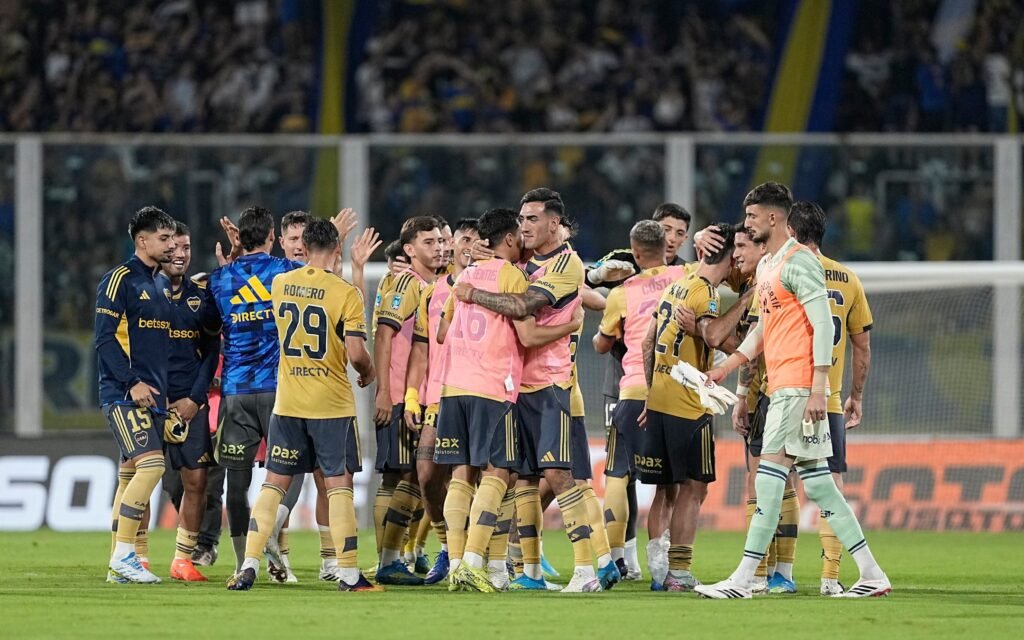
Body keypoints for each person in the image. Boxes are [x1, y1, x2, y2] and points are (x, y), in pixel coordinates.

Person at [695, 182, 890, 599]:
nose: (746, 223)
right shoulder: (769, 265)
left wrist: (818, 388)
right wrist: (726, 367)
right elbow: (763, 331)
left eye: (751, 217)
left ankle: (742, 580)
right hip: (789, 387)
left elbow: (823, 325)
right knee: (820, 486)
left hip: (798, 389)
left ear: (773, 218)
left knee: (768, 483)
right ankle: (872, 573)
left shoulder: (800, 262)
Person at [453, 188, 618, 593]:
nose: (523, 226)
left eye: (532, 219)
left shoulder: (565, 264)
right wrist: (485, 255)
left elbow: (523, 306)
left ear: (554, 223)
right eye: (522, 219)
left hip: (550, 383)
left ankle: (586, 570)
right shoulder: (524, 258)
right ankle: (520, 570)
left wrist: (474, 292)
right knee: (520, 479)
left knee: (560, 475)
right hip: (511, 384)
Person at [226, 218, 380, 592]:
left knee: (273, 485)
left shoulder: (281, 284)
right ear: (338, 250)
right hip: (331, 405)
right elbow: (356, 353)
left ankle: (248, 564)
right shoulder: (345, 293)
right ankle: (348, 573)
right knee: (338, 485)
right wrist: (368, 371)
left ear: (305, 248)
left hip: (288, 403)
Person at [586, 202, 692, 580]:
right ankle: (667, 567)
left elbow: (602, 343)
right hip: (677, 392)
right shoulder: (687, 276)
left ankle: (615, 558)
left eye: (681, 232)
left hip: (631, 388)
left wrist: (604, 331)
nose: (675, 238)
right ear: (663, 242)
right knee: (674, 483)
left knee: (618, 474)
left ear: (636, 250)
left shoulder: (623, 290)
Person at [636, 222, 736, 592]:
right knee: (694, 487)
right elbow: (713, 334)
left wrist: (651, 393)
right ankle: (678, 571)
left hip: (660, 398)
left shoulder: (676, 286)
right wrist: (745, 300)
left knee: (665, 490)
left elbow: (647, 343)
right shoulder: (707, 293)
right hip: (689, 405)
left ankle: (658, 571)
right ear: (730, 257)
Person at [209, 207, 303, 573]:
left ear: (240, 239)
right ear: (271, 237)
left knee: (237, 479)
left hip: (236, 391)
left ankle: (240, 563)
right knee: (291, 467)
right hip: (279, 389)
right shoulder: (286, 271)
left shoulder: (219, 279)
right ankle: (270, 530)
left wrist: (232, 261)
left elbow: (210, 327)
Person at [786, 201, 874, 596]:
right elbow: (862, 347)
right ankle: (830, 577)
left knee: (774, 481)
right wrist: (856, 395)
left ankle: (771, 574)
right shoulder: (848, 278)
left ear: (791, 232)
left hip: (788, 392)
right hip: (829, 400)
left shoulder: (785, 271)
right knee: (831, 487)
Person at [95, 206, 177, 584]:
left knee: (129, 476)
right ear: (142, 241)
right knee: (152, 466)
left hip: (153, 397)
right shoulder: (119, 280)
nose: (171, 244)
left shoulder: (161, 284)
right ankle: (124, 555)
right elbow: (104, 339)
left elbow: (158, 348)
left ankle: (120, 562)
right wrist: (131, 382)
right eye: (164, 238)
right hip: (124, 393)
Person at [404, 218, 479, 584]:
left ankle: (489, 554)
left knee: (484, 479)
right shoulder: (432, 292)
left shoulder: (492, 287)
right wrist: (411, 396)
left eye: (476, 241)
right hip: (439, 397)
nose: (467, 247)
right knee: (428, 476)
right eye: (463, 239)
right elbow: (421, 350)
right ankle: (448, 548)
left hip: (480, 393)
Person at [373, 216, 444, 585]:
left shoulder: (431, 284)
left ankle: (394, 557)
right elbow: (383, 335)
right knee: (402, 476)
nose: (439, 247)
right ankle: (388, 561)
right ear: (410, 250)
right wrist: (385, 392)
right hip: (401, 396)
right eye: (429, 242)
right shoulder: (407, 283)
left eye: (439, 241)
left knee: (409, 477)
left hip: (418, 394)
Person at [160, 222, 221, 582]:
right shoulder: (141, 293)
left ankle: (184, 559)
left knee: (197, 481)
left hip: (190, 405)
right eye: (173, 247)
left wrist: (195, 400)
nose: (181, 254)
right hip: (150, 401)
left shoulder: (201, 298)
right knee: (141, 479)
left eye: (186, 247)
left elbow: (211, 352)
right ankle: (130, 557)